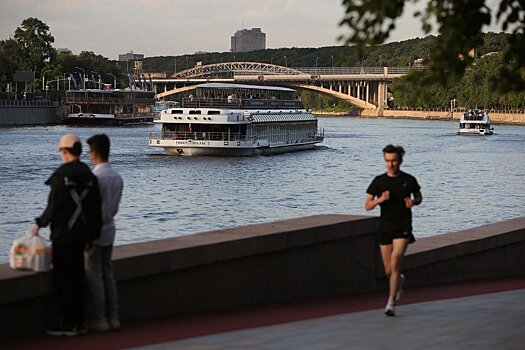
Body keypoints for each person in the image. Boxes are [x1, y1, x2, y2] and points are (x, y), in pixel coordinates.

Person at [32, 133, 102, 336]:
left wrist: (39, 224)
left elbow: (53, 206)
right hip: (82, 235)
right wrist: (93, 235)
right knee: (79, 277)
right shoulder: (89, 176)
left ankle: (68, 323)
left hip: (62, 235)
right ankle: (80, 322)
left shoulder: (60, 176)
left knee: (63, 280)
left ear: (64, 151)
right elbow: (94, 209)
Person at [365, 145, 422, 317]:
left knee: (396, 260)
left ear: (400, 161)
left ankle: (390, 303)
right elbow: (367, 205)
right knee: (389, 271)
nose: (390, 164)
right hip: (385, 228)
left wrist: (414, 202)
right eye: (387, 161)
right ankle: (400, 281)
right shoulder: (379, 181)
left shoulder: (409, 180)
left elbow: (419, 197)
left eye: (394, 161)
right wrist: (380, 200)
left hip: (403, 227)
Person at [84, 134, 124, 332]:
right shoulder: (117, 177)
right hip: (110, 227)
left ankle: (100, 318)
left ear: (94, 152)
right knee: (108, 273)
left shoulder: (95, 178)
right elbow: (114, 208)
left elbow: (90, 209)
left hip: (95, 231)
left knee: (94, 275)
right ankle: (114, 316)